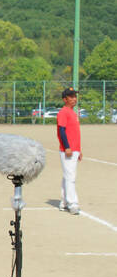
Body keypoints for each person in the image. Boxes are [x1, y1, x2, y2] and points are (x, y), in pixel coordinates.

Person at [57, 87, 81, 215]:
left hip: (74, 149)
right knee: (70, 176)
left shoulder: (73, 112)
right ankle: (72, 203)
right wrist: (67, 146)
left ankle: (64, 202)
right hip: (68, 149)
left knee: (68, 175)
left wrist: (79, 149)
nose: (74, 99)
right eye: (71, 97)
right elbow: (62, 130)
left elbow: (75, 133)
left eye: (75, 96)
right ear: (64, 99)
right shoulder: (63, 112)